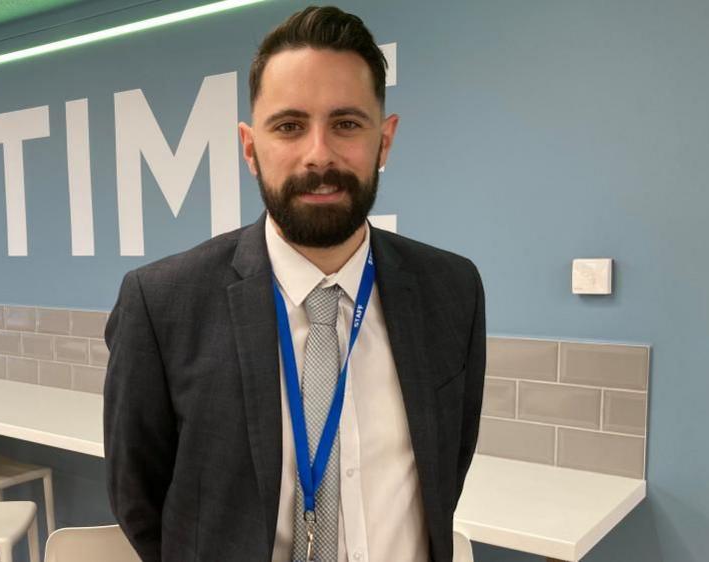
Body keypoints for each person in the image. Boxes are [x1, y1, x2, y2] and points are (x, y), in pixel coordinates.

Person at [104, 6, 485, 561]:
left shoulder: (452, 290)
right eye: (289, 126)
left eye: (347, 123)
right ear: (250, 146)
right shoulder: (163, 304)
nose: (319, 155)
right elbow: (138, 500)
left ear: (385, 140)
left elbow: (447, 464)